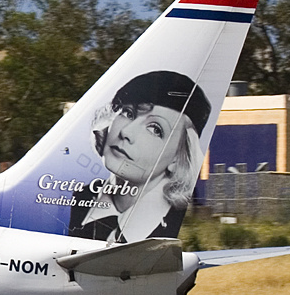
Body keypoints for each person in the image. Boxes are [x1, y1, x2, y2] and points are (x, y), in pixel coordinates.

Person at [69, 70, 210, 242]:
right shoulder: (81, 197)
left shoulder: (173, 221)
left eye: (155, 129)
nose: (126, 132)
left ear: (178, 157)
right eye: (128, 113)